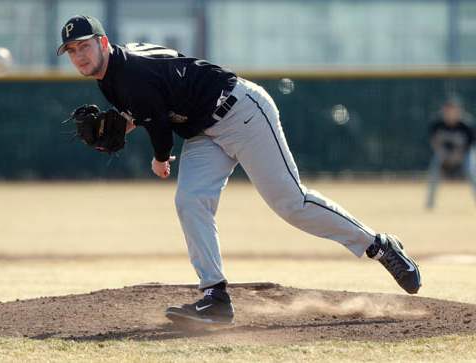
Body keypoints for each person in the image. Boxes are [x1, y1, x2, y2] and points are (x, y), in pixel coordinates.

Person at [58, 15, 421, 325]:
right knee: (190, 200)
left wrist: (160, 158)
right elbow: (154, 101)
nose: (79, 55)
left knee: (291, 203)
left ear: (102, 42)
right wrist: (126, 123)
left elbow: (158, 125)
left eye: (84, 46)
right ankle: (215, 297)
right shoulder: (114, 71)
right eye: (72, 51)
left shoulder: (130, 73)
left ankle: (378, 245)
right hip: (203, 130)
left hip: (241, 111)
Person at [426, 96, 476, 209]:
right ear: (443, 110)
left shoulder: (466, 125)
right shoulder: (437, 124)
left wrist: (457, 156)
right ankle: (430, 203)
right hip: (444, 153)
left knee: (472, 170)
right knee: (435, 167)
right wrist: (443, 154)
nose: (450, 112)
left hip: (464, 154)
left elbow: (470, 146)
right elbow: (434, 142)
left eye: (453, 109)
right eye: (448, 109)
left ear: (459, 111)